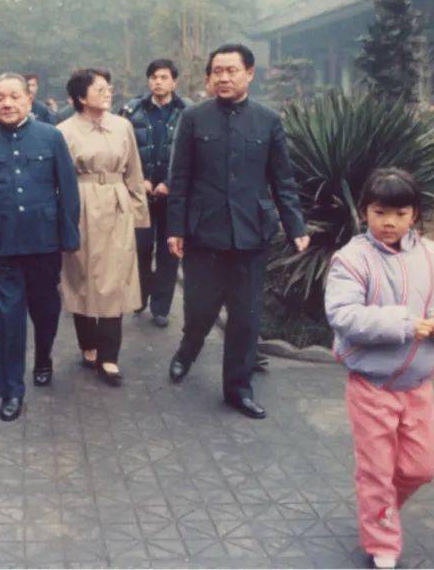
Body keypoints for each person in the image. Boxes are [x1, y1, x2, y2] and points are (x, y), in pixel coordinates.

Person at [325, 168, 434, 570]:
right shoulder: (351, 259)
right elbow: (343, 315)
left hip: (419, 385)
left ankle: (379, 509)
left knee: (423, 467)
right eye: (379, 212)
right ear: (364, 211)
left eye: (400, 213)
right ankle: (382, 542)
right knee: (376, 472)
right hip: (370, 387)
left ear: (415, 214)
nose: (389, 222)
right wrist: (406, 323)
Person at [166, 43, 309, 419]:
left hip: (251, 233)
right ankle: (187, 351)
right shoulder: (194, 118)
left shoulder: (268, 120)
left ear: (249, 74)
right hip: (204, 233)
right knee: (199, 310)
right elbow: (180, 178)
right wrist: (175, 228)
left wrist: (295, 225)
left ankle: (238, 389)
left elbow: (282, 179)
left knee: (245, 317)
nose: (224, 78)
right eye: (217, 71)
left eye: (231, 71)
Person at [0, 73, 80, 421]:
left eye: (14, 96)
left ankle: (43, 356)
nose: (7, 103)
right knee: (9, 317)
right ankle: (11, 391)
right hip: (1, 244)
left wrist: (69, 237)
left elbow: (68, 191)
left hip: (44, 241)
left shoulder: (51, 137)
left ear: (29, 100)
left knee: (46, 309)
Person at [58, 68, 150, 386]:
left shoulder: (123, 126)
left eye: (108, 87)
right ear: (81, 97)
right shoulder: (63, 131)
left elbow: (134, 172)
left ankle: (110, 357)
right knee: (81, 277)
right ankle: (88, 345)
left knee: (114, 281)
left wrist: (139, 215)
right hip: (80, 206)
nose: (108, 92)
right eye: (99, 89)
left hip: (116, 205)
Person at [121, 58, 187, 328]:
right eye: (153, 77)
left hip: (173, 194)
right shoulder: (132, 110)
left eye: (163, 77)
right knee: (141, 247)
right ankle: (140, 296)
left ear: (174, 82)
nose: (158, 82)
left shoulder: (187, 112)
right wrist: (139, 181)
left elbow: (190, 154)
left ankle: (161, 307)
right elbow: (123, 150)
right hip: (141, 193)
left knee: (169, 252)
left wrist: (170, 182)